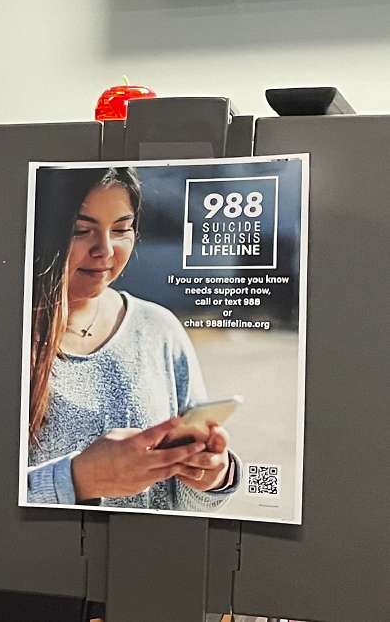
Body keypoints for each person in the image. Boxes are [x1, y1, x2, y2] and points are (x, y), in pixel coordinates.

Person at [25, 166, 240, 511]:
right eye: (81, 230)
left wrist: (210, 477)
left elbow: (183, 508)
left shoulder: (158, 329)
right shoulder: (0, 335)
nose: (106, 250)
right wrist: (79, 479)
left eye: (122, 229)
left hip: (146, 560)